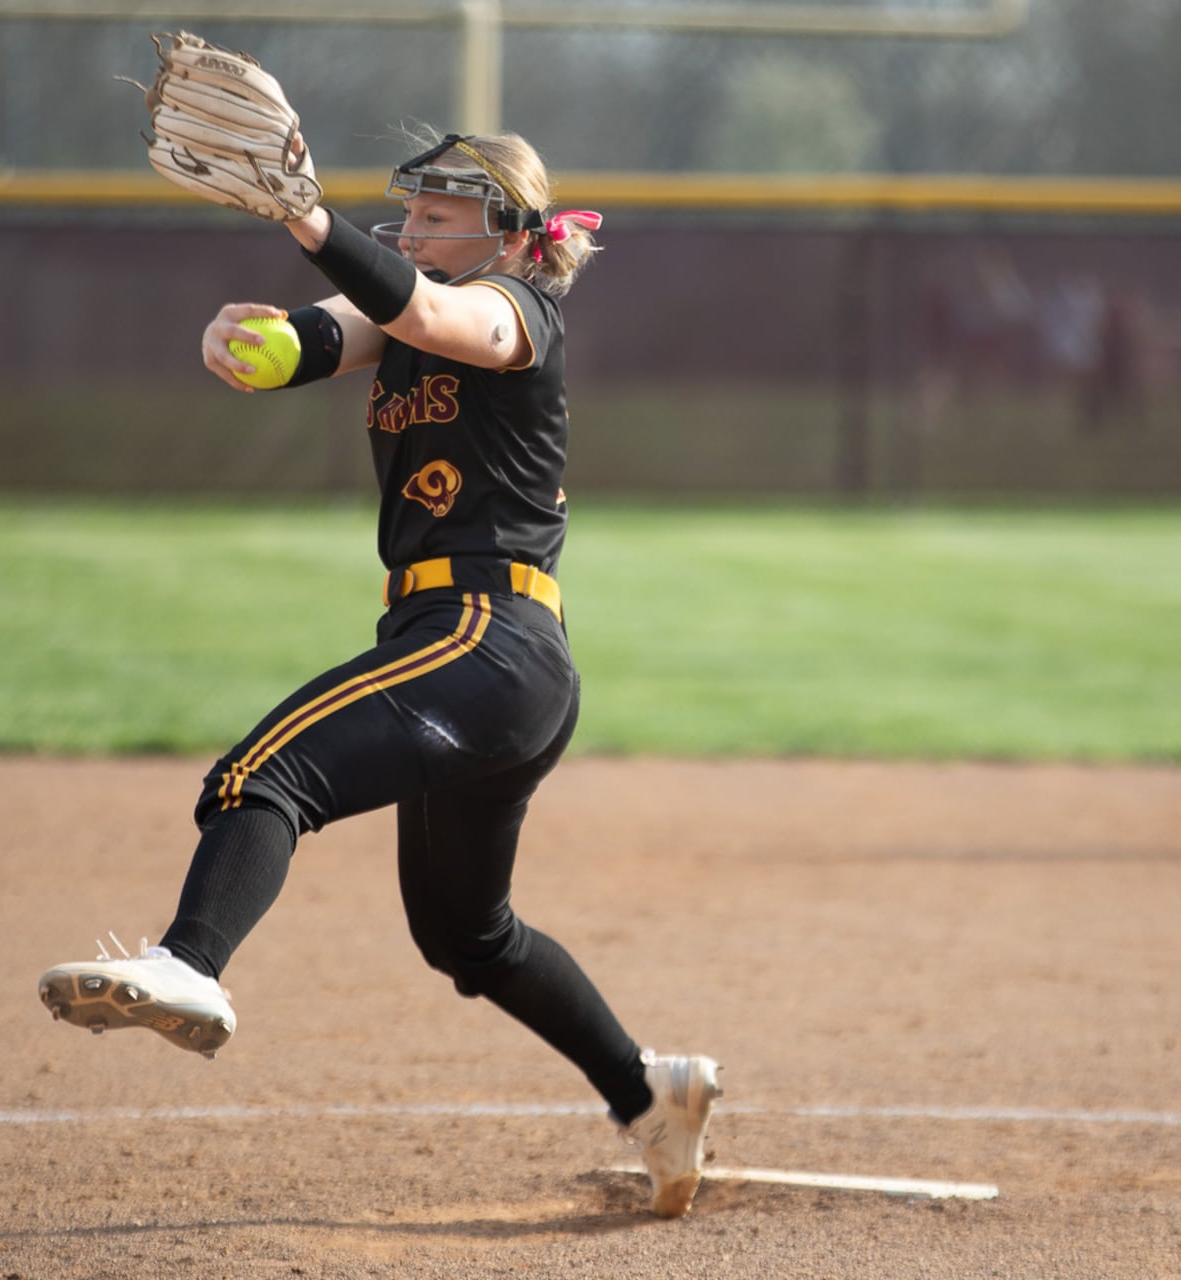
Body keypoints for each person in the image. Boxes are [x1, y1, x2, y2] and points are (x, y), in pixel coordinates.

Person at [39, 128, 722, 1218]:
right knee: (464, 931)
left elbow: (430, 314)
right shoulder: (408, 315)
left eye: (442, 211)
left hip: (485, 635)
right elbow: (324, 334)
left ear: (508, 232)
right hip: (469, 654)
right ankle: (650, 1090)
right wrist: (241, 338)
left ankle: (188, 961)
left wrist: (306, 219)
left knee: (267, 771)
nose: (413, 226)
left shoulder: (514, 311)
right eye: (410, 211)